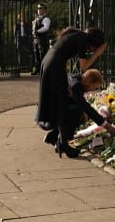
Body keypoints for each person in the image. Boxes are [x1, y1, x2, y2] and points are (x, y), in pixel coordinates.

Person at [35, 26, 108, 158]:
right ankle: (63, 143)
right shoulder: (82, 39)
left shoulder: (77, 36)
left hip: (50, 64)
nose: (91, 50)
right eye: (93, 48)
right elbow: (84, 66)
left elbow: (64, 55)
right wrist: (98, 53)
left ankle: (56, 138)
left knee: (60, 103)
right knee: (63, 105)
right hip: (54, 66)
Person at [47, 68, 114, 154]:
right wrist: (106, 125)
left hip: (54, 107)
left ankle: (53, 136)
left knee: (79, 110)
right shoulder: (76, 86)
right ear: (89, 80)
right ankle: (63, 144)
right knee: (77, 112)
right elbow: (86, 108)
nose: (93, 90)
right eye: (95, 86)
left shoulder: (73, 77)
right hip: (53, 111)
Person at [31, 3, 52, 74]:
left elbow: (46, 28)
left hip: (42, 39)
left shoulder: (46, 18)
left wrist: (37, 31)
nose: (39, 10)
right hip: (35, 39)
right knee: (36, 55)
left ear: (44, 10)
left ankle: (43, 70)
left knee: (42, 54)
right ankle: (37, 69)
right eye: (38, 9)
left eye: (40, 9)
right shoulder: (36, 18)